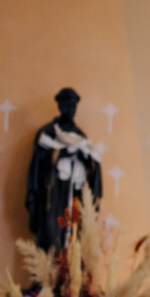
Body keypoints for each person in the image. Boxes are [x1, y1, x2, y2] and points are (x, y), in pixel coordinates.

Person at [26, 87, 103, 250]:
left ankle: (70, 257)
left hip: (75, 191)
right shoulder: (48, 133)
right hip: (54, 191)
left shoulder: (81, 137)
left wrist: (83, 157)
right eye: (66, 105)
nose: (69, 109)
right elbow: (38, 165)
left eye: (72, 106)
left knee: (74, 234)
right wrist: (60, 153)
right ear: (60, 106)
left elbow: (92, 168)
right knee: (51, 230)